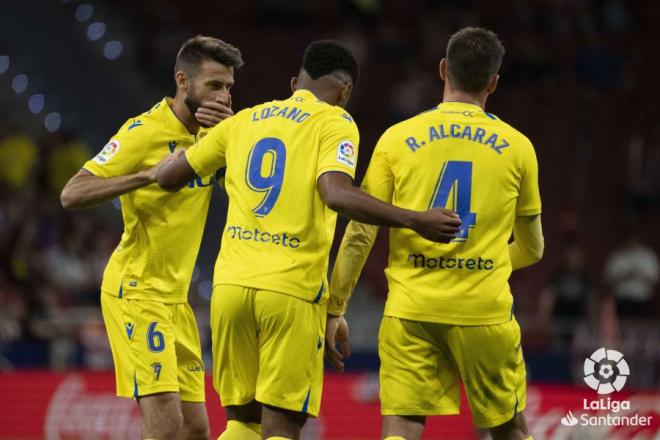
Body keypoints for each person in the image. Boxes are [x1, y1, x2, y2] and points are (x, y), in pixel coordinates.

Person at [157, 40, 461, 440]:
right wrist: (414, 219)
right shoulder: (335, 122)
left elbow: (168, 178)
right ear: (345, 92)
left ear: (295, 82)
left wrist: (206, 140)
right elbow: (335, 192)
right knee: (282, 425)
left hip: (230, 289)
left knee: (242, 421)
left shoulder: (243, 121)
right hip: (290, 291)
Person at [328, 27, 544, 440]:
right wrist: (485, 259)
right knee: (507, 428)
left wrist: (335, 307)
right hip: (484, 313)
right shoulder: (519, 148)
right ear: (494, 82)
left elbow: (361, 232)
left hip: (411, 311)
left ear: (443, 69)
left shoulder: (397, 139)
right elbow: (533, 248)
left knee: (404, 424)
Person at [60, 35, 243, 439]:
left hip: (177, 301)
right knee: (166, 422)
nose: (225, 96)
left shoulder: (216, 138)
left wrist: (237, 141)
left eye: (229, 87)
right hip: (136, 291)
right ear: (183, 81)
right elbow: (72, 193)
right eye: (214, 85)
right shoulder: (144, 131)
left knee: (196, 427)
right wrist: (147, 175)